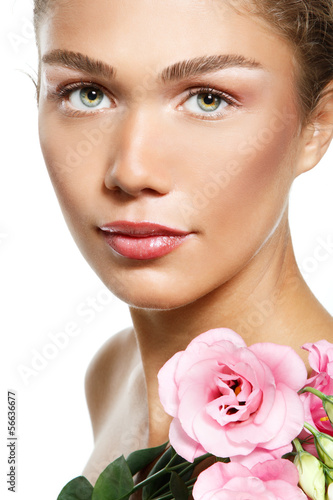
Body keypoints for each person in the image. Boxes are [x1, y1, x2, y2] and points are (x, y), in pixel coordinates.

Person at [33, 0, 333, 486]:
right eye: (86, 94)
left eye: (207, 98)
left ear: (316, 124)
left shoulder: (326, 437)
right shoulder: (112, 373)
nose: (131, 172)